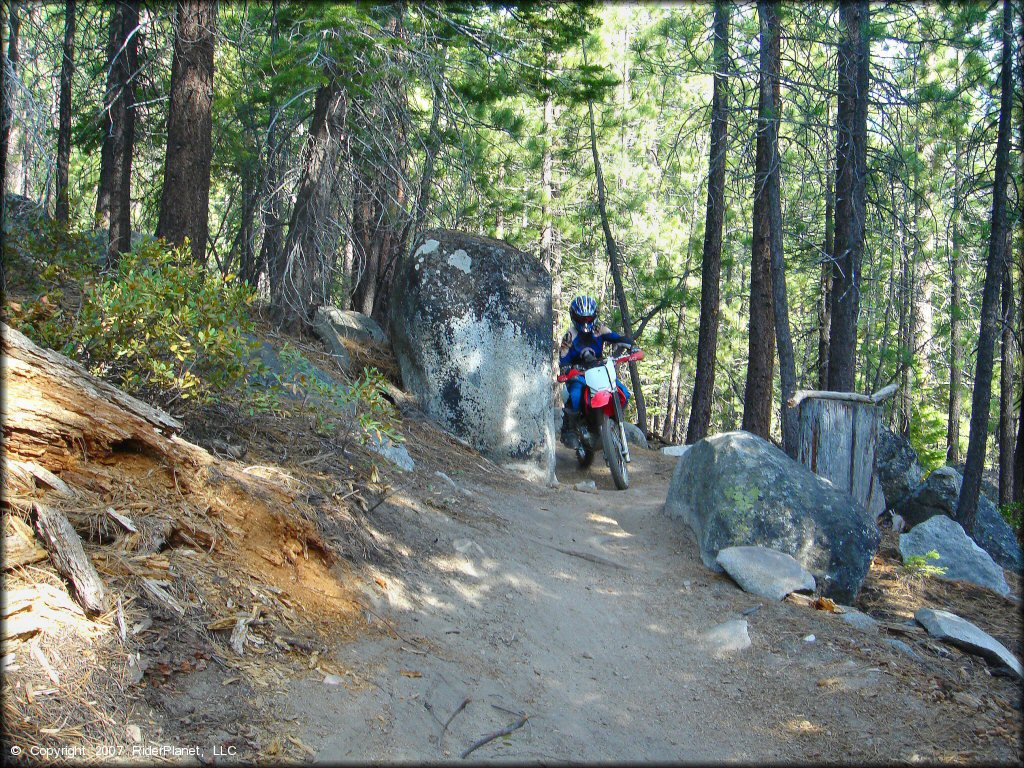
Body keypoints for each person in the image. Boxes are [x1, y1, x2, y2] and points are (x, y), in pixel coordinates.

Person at [558, 294, 637, 448]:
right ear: (574, 317)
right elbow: (564, 357)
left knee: (624, 393)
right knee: (575, 395)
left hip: (600, 370)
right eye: (582, 319)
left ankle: (611, 421)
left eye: (588, 318)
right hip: (579, 373)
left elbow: (616, 338)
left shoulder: (599, 329)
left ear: (594, 316)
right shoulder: (569, 335)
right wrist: (566, 369)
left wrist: (632, 347)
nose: (586, 322)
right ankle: (570, 430)